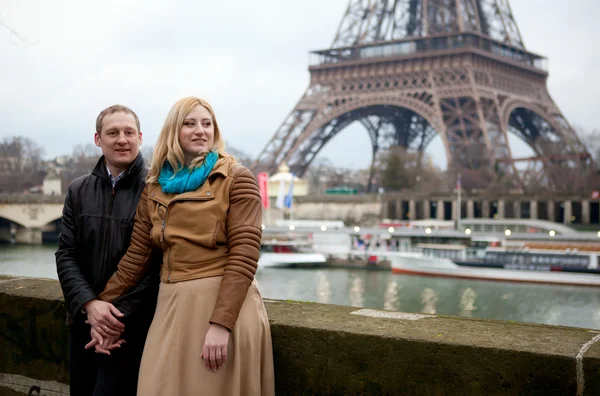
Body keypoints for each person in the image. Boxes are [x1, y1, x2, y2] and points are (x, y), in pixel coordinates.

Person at [94, 96, 275, 395]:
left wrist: (221, 325)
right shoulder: (154, 186)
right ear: (173, 131)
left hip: (220, 307)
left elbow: (244, 256)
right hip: (171, 304)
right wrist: (102, 308)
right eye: (189, 124)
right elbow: (136, 257)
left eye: (207, 124)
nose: (200, 130)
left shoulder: (236, 179)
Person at [55, 105, 159, 396]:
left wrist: (113, 319)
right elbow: (66, 254)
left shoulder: (158, 190)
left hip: (132, 328)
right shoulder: (78, 190)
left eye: (128, 132)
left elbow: (158, 262)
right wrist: (90, 306)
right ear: (98, 139)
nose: (121, 139)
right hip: (85, 324)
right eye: (112, 133)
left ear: (140, 137)